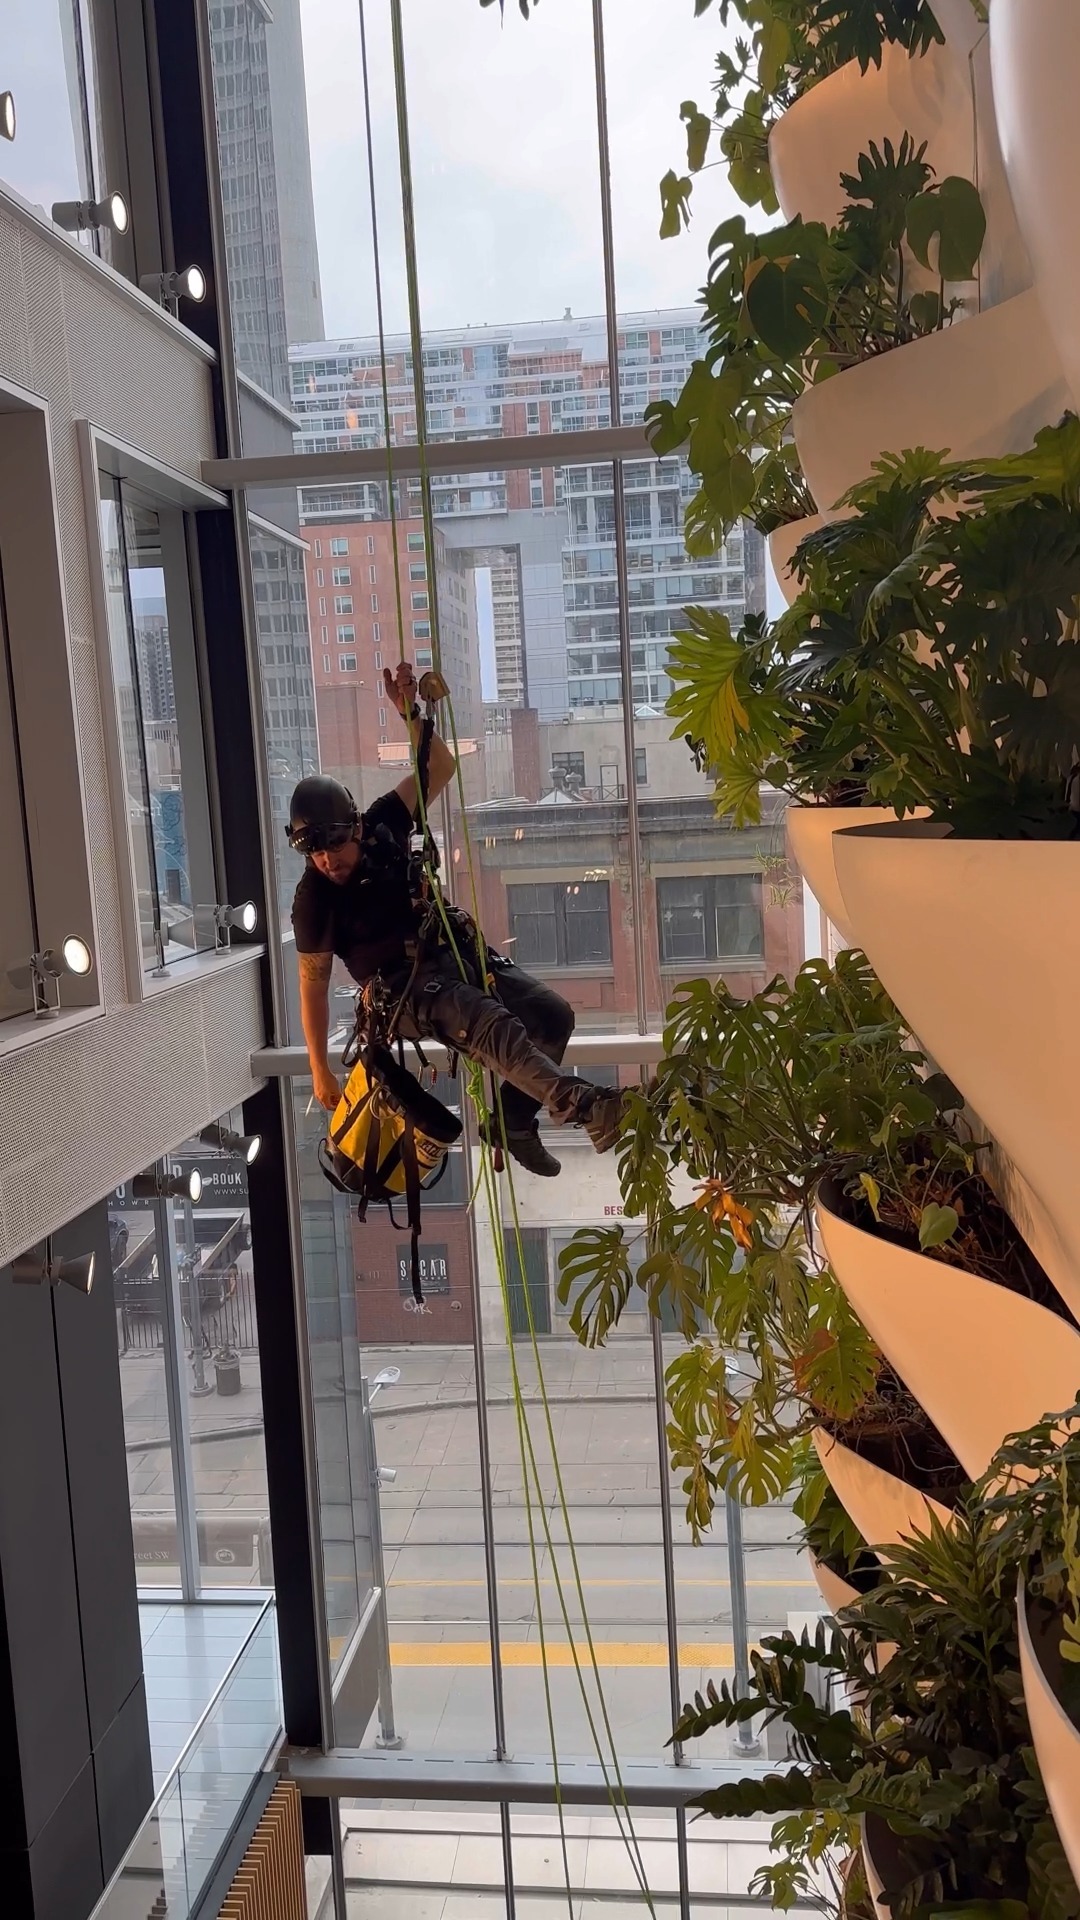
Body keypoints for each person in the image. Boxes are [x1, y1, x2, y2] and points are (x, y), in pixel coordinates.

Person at [288, 661, 625, 1176]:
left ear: (354, 827)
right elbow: (311, 988)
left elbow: (440, 768)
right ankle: (583, 1105)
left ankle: (513, 1122)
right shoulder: (314, 899)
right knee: (486, 1021)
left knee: (552, 1015)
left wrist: (410, 713)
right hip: (402, 991)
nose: (328, 859)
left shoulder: (382, 824)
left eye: (334, 843)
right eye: (313, 850)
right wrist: (319, 1068)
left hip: (450, 953)